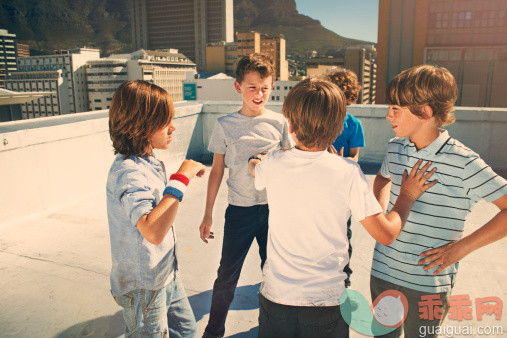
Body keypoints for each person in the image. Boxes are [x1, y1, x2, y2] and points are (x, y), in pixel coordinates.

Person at [248, 78, 437, 338]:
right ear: (339, 128)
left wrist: (256, 161)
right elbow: (386, 233)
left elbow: (256, 172)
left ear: (289, 124)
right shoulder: (347, 173)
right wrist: (407, 195)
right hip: (326, 304)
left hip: (275, 299)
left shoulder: (273, 163)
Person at [371, 65, 507, 337]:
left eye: (396, 108)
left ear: (425, 112)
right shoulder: (395, 146)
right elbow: (382, 178)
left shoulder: (463, 161)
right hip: (382, 271)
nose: (388, 115)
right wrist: (380, 214)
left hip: (427, 283)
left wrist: (460, 250)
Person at [199, 53, 293, 338]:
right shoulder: (225, 125)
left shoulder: (280, 123)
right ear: (238, 87)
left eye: (265, 87)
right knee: (226, 276)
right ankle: (213, 331)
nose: (259, 93)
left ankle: (275, 328)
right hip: (239, 211)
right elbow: (216, 171)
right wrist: (207, 214)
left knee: (275, 274)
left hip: (273, 212)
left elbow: (289, 166)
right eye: (252, 87)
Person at [106, 81, 205, 337]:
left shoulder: (148, 161)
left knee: (186, 330)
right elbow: (152, 231)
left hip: (165, 273)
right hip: (144, 286)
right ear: (136, 126)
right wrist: (181, 179)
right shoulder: (128, 172)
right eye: (164, 121)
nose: (173, 127)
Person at [325, 68, 366, 288]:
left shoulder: (354, 124)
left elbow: (355, 157)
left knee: (343, 236)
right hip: (318, 191)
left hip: (342, 193)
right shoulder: (317, 121)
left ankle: (344, 279)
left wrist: (341, 163)